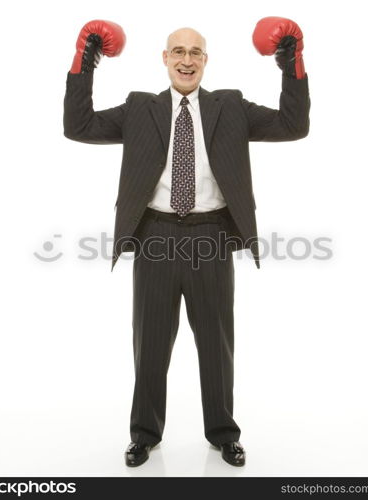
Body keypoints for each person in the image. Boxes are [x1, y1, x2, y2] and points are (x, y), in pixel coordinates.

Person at [63, 17, 310, 467]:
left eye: (195, 52)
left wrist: (289, 63)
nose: (186, 59)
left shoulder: (230, 106)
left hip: (212, 236)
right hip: (155, 235)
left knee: (216, 342)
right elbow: (78, 126)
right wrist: (86, 62)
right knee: (151, 342)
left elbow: (293, 126)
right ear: (165, 59)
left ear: (205, 62)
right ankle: (144, 434)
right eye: (178, 51)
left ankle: (223, 434)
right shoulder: (140, 108)